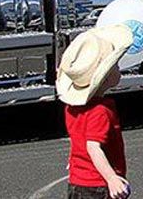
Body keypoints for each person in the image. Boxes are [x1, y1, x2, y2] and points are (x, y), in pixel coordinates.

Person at [57, 25, 134, 199]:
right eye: (115, 66)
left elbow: (78, 141)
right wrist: (112, 178)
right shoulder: (101, 110)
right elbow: (93, 147)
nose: (118, 68)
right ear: (104, 76)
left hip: (77, 181)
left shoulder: (72, 107)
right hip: (98, 185)